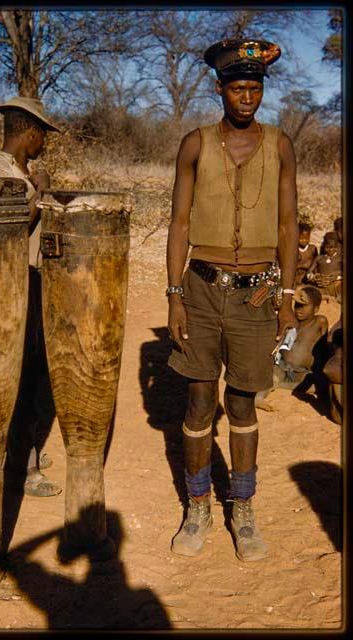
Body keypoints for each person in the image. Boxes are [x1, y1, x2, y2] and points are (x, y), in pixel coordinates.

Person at [166, 38, 298, 561]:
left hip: (255, 297)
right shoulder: (195, 143)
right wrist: (174, 296)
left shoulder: (280, 144)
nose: (248, 98)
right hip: (200, 288)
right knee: (200, 401)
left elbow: (288, 224)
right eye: (238, 88)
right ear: (220, 90)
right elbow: (178, 222)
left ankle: (241, 508)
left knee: (242, 403)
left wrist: (286, 296)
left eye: (255, 88)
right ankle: (197, 503)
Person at [0, 97, 61, 497]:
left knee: (32, 374)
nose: (44, 143)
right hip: (11, 286)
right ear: (29, 134)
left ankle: (23, 450)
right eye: (42, 135)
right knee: (21, 378)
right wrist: (40, 193)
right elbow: (8, 227)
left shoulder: (18, 171)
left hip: (30, 280)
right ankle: (24, 469)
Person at [255, 285, 328, 411]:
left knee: (319, 384)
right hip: (282, 367)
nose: (299, 310)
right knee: (271, 376)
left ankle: (286, 385)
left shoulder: (319, 322)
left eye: (304, 306)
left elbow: (325, 347)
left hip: (303, 372)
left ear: (316, 309)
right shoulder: (290, 321)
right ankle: (258, 399)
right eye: (297, 305)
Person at [306, 231, 342, 300]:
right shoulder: (319, 258)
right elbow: (309, 272)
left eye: (333, 247)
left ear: (337, 247)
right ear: (323, 246)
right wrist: (313, 277)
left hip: (335, 285)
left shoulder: (340, 258)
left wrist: (337, 276)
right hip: (320, 286)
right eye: (327, 247)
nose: (330, 250)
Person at [294, 222, 318, 287]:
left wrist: (314, 274)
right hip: (298, 276)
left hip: (309, 275)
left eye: (307, 238)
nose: (304, 240)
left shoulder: (312, 249)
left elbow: (316, 262)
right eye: (301, 238)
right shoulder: (294, 249)